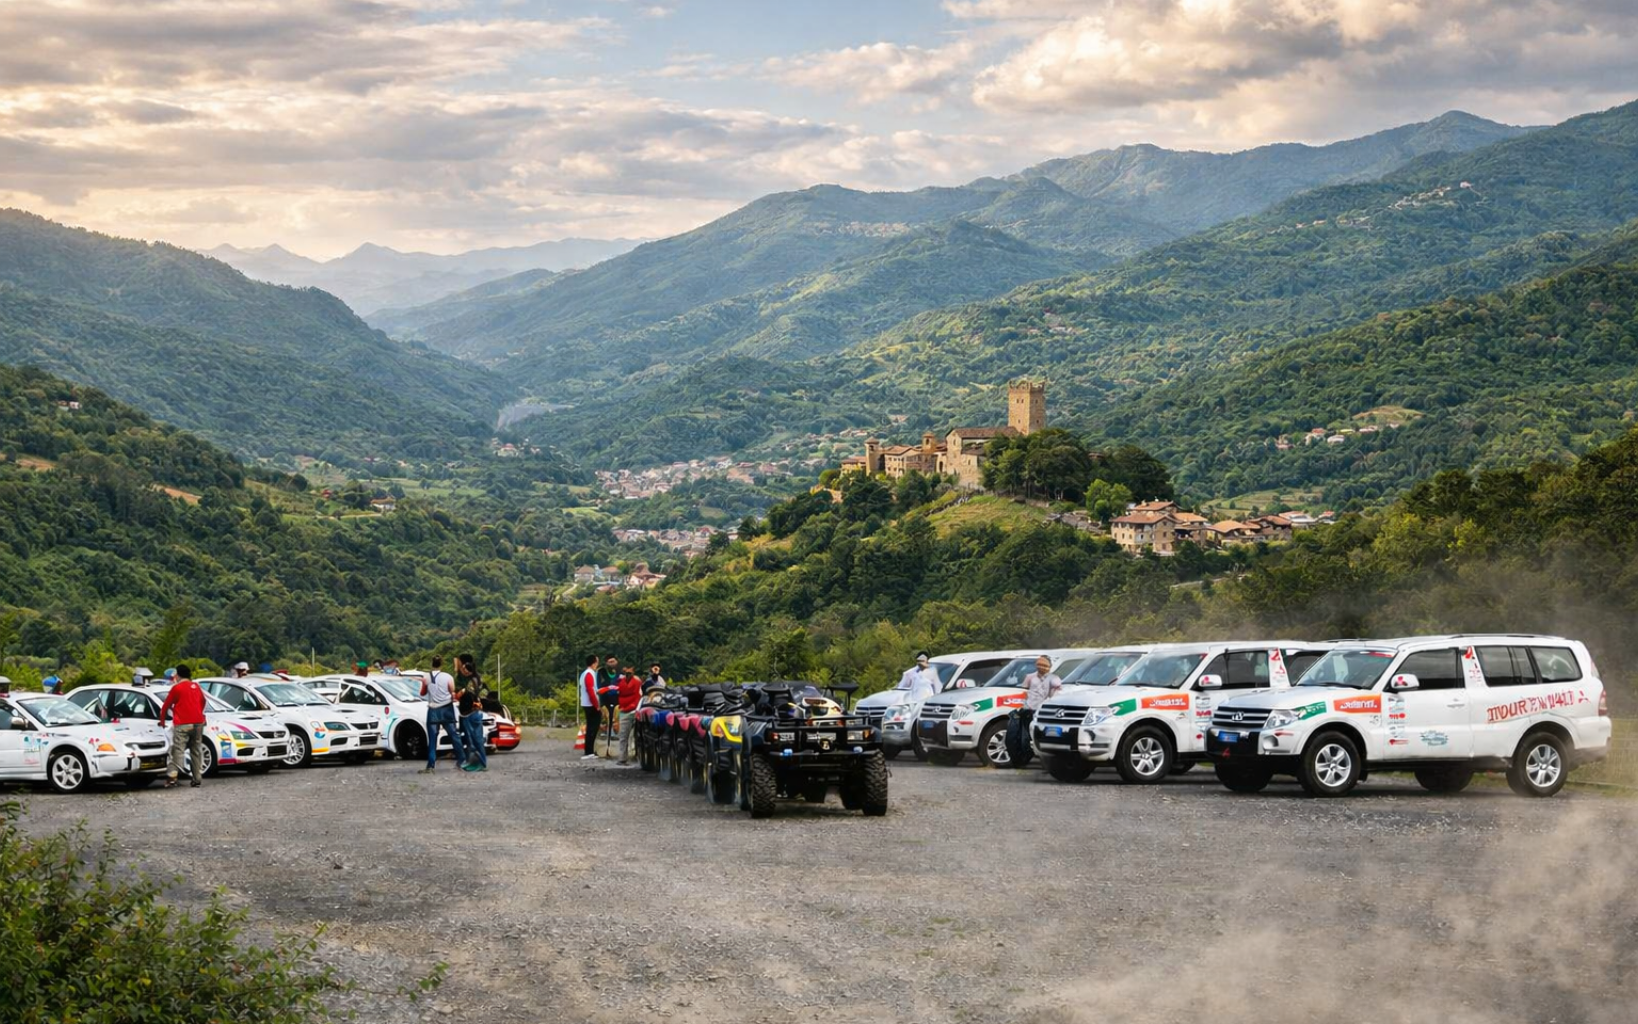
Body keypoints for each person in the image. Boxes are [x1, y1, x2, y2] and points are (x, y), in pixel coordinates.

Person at [1007, 655, 1061, 769]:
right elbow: (1024, 693)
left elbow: (1055, 695)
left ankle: (1046, 761)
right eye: (1039, 664)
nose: (1042, 667)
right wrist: (1022, 706)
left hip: (1043, 711)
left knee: (1042, 735)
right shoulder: (1030, 677)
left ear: (1049, 667)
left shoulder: (1054, 678)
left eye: (1045, 665)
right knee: (1025, 736)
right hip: (1029, 709)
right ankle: (1022, 758)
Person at [159, 664, 207, 789]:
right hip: (198, 723)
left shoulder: (177, 688)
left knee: (178, 750)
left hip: (183, 723)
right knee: (196, 750)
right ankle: (197, 779)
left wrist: (162, 721)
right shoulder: (196, 686)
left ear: (178, 675)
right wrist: (198, 713)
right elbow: (203, 701)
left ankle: (172, 777)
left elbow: (166, 706)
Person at [418, 656, 464, 773]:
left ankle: (431, 765)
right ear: (441, 664)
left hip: (433, 710)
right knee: (454, 735)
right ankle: (462, 760)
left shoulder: (426, 677)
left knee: (432, 738)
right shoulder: (448, 677)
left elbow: (422, 693)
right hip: (447, 709)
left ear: (431, 664)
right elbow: (451, 690)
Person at [455, 654, 488, 773]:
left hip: (470, 712)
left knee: (473, 740)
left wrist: (465, 694)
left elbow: (465, 695)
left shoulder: (470, 682)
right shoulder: (479, 678)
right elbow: (485, 692)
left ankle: (477, 763)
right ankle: (481, 762)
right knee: (477, 739)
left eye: (464, 669)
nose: (462, 670)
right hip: (476, 711)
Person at [615, 666, 643, 766]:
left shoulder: (622, 682)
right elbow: (638, 697)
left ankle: (623, 757)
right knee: (627, 735)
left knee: (624, 736)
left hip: (629, 710)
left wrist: (625, 708)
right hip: (631, 710)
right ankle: (627, 756)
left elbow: (636, 697)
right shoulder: (634, 682)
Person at [579, 655, 601, 760]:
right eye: (597, 662)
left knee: (591, 727)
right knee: (593, 728)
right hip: (590, 704)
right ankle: (589, 751)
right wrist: (596, 705)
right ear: (594, 663)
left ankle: (589, 750)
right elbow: (591, 690)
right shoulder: (589, 674)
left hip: (587, 703)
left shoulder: (584, 674)